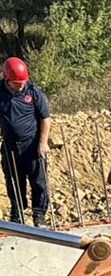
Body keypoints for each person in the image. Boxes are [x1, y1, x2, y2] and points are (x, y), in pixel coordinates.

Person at [0, 57, 51, 227]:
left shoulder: (33, 92)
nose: (20, 85)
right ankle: (17, 215)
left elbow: (46, 118)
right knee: (14, 180)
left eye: (23, 81)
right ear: (7, 79)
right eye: (16, 82)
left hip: (32, 145)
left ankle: (39, 215)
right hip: (10, 146)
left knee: (39, 181)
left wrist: (43, 143)